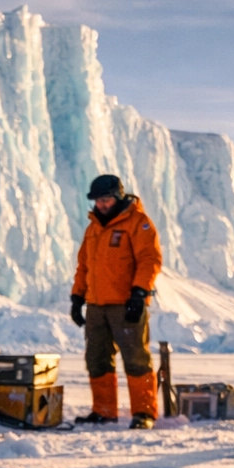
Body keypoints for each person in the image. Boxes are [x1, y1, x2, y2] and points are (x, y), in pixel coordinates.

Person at [69, 175, 163, 429]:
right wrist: (77, 297)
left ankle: (144, 413)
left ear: (118, 197)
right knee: (96, 358)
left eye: (106, 199)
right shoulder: (93, 228)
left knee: (136, 358)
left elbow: (149, 260)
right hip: (97, 305)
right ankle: (104, 410)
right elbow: (84, 266)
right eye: (98, 200)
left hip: (126, 304)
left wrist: (140, 293)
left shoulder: (138, 223)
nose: (101, 204)